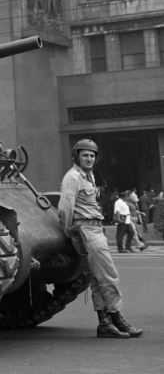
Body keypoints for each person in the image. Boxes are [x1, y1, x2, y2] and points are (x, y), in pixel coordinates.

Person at [58, 139, 142, 339]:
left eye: (92, 155)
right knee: (109, 275)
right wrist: (69, 231)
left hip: (95, 229)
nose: (89, 158)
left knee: (97, 279)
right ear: (76, 156)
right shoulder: (73, 177)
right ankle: (116, 317)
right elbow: (65, 208)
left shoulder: (89, 176)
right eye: (85, 155)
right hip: (86, 230)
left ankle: (105, 323)